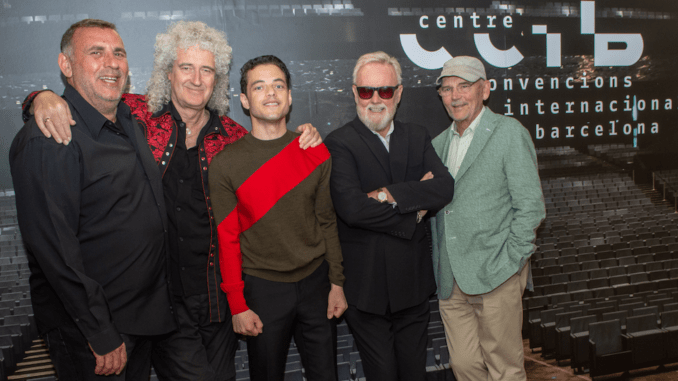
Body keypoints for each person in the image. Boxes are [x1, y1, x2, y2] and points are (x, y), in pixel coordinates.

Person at [23, 21, 321, 381]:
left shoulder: (235, 139)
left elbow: (276, 162)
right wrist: (40, 98)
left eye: (207, 70)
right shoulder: (137, 115)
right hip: (162, 305)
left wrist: (307, 137)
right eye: (186, 68)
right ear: (169, 73)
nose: (196, 79)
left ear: (217, 79)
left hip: (218, 302)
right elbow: (88, 97)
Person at [9, 19, 177, 380]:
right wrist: (99, 330)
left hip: (141, 320)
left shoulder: (130, 120)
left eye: (118, 53)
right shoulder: (50, 138)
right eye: (95, 53)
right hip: (96, 334)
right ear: (66, 66)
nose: (111, 62)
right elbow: (55, 250)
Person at [209, 55, 347, 381]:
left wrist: (337, 282)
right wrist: (238, 304)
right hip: (263, 290)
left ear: (289, 96)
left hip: (316, 283)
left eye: (278, 85)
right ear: (244, 100)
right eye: (259, 87)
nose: (270, 93)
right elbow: (227, 239)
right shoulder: (226, 165)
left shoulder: (315, 151)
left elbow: (327, 221)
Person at [323, 51, 454, 380]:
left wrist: (386, 194)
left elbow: (444, 188)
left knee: (414, 374)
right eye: (367, 91)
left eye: (385, 91)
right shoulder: (339, 143)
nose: (376, 100)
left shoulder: (417, 135)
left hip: (413, 285)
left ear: (398, 93)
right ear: (355, 93)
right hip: (366, 292)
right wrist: (414, 211)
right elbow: (352, 209)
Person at [430, 56, 545, 381]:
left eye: (464, 86)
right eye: (447, 88)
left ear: (485, 89)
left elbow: (531, 207)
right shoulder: (437, 145)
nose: (455, 96)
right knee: (464, 366)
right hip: (451, 280)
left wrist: (511, 262)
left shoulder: (508, 132)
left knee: (504, 370)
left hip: (497, 274)